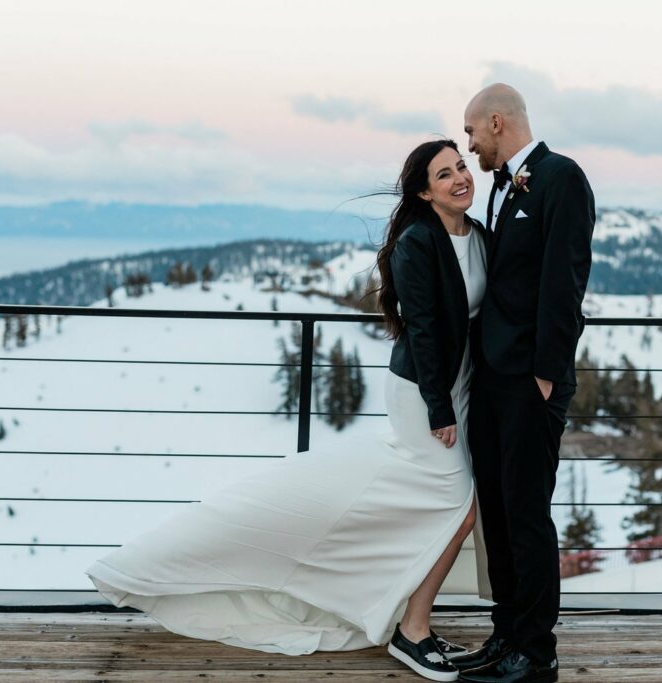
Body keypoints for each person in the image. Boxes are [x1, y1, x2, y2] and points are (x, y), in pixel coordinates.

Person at [86, 139, 490, 683]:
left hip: (459, 385)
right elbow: (421, 330)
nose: (460, 177)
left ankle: (401, 614)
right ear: (424, 190)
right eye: (445, 173)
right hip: (423, 392)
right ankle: (411, 631)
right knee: (456, 505)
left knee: (437, 502)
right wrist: (439, 407)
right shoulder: (418, 242)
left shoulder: (478, 237)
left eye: (461, 166)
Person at [453, 84, 595, 683]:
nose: (469, 145)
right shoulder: (502, 186)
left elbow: (565, 281)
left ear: (496, 121)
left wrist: (544, 376)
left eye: (471, 134)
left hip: (529, 383)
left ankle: (536, 653)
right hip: (494, 379)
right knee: (501, 513)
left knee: (528, 514)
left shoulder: (562, 177)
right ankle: (506, 632)